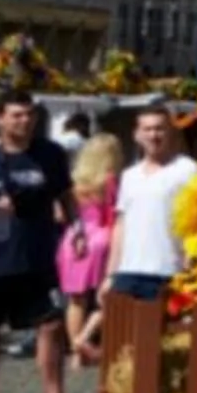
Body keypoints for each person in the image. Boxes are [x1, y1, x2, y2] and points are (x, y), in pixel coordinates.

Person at [0, 93, 77, 393]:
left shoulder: (50, 153)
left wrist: (76, 230)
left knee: (51, 326)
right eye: (16, 116)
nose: (24, 121)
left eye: (29, 115)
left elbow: (64, 196)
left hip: (37, 255)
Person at [103, 106, 197, 303]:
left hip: (168, 271)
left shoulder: (188, 170)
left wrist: (191, 265)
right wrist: (110, 274)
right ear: (136, 135)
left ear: (170, 132)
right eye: (147, 129)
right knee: (123, 333)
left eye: (159, 129)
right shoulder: (130, 175)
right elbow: (121, 225)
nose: (153, 135)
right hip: (127, 272)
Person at [55, 132, 122, 371]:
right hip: (101, 237)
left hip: (73, 238)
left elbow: (61, 215)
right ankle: (86, 338)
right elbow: (114, 217)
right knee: (108, 296)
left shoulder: (77, 181)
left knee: (75, 299)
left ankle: (75, 351)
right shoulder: (111, 181)